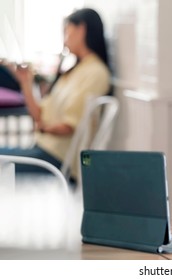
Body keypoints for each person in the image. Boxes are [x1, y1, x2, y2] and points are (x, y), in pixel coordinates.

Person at [0, 8, 111, 179]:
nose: (64, 38)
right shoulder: (75, 71)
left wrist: (43, 129)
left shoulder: (95, 72)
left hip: (57, 161)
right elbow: (39, 115)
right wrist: (25, 82)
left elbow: (68, 127)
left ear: (81, 29)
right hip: (45, 152)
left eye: (67, 30)